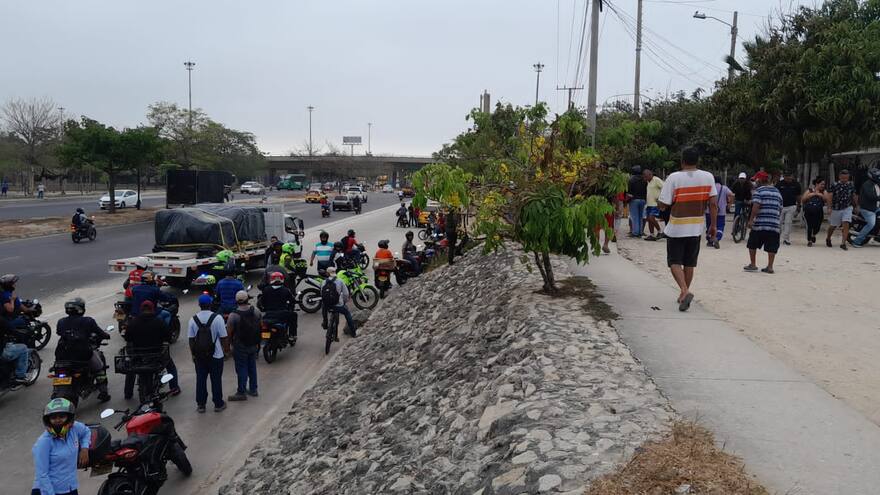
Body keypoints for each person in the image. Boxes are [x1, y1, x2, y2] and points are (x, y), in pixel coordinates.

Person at [657, 147, 717, 312]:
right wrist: (713, 225)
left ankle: (684, 290)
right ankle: (683, 294)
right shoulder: (708, 177)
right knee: (689, 263)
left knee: (674, 262)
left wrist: (659, 203)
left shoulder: (674, 178)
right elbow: (713, 203)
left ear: (682, 161)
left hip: (677, 227)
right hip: (697, 227)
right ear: (697, 161)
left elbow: (664, 204)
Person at [55, 297, 111, 402]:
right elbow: (100, 333)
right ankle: (103, 392)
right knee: (99, 368)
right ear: (81, 309)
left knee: (58, 370)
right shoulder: (88, 321)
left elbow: (59, 332)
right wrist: (106, 335)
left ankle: (56, 390)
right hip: (83, 355)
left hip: (62, 355)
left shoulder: (61, 321)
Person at [31, 398, 91, 495]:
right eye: (53, 417)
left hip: (70, 487)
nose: (58, 420)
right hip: (48, 490)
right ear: (48, 420)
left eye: (62, 416)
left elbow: (86, 432)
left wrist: (85, 448)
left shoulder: (75, 428)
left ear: (69, 417)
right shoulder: (43, 442)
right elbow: (42, 475)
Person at [123, 300, 180, 400]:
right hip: (157, 354)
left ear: (141, 310)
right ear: (153, 309)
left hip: (138, 355)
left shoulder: (133, 322)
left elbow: (127, 338)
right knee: (171, 367)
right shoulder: (159, 322)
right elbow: (168, 337)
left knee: (131, 369)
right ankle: (174, 387)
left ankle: (128, 393)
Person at [188, 294, 229, 413]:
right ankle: (218, 404)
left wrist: (193, 354)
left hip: (199, 356)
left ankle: (201, 405)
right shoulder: (217, 318)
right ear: (210, 304)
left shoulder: (193, 319)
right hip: (216, 355)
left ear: (199, 305)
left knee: (200, 379)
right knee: (216, 380)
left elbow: (191, 340)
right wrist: (226, 351)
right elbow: (224, 337)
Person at [744, 171, 783, 273]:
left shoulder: (759, 191)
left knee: (752, 243)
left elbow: (756, 206)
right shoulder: (777, 191)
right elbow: (780, 208)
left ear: (759, 180)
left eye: (756, 179)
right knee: (772, 246)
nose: (755, 181)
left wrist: (751, 220)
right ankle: (770, 267)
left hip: (760, 223)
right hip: (774, 224)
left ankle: (753, 264)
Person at [227, 291, 261, 401]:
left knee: (241, 368)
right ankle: (253, 389)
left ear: (237, 301)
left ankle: (241, 392)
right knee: (252, 367)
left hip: (240, 345)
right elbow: (260, 324)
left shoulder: (233, 315)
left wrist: (227, 347)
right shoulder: (255, 311)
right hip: (253, 343)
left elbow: (229, 333)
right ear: (248, 299)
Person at [259, 272, 297, 340]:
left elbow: (261, 302)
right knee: (294, 315)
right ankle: (292, 335)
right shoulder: (286, 290)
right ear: (282, 279)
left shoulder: (266, 289)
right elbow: (292, 301)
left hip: (268, 314)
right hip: (282, 314)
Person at [825, 169, 857, 250]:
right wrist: (829, 207)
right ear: (839, 177)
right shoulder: (834, 185)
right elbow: (829, 196)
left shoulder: (851, 185)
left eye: (846, 178)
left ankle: (843, 243)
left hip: (847, 207)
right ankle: (828, 238)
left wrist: (856, 206)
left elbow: (854, 195)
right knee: (833, 226)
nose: (844, 180)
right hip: (836, 208)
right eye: (843, 178)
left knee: (846, 223)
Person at [322, 267, 357, 339]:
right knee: (347, 313)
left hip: (327, 305)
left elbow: (322, 294)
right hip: (338, 305)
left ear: (327, 273)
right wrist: (344, 302)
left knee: (324, 306)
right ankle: (353, 332)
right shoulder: (340, 281)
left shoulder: (323, 282)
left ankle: (325, 323)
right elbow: (346, 294)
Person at [852, 168, 880, 247]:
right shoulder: (867, 184)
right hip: (867, 209)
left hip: (875, 207)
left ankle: (877, 234)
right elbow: (871, 196)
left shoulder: (876, 183)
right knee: (871, 224)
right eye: (877, 176)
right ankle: (857, 241)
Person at [774, 171, 803, 246]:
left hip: (791, 206)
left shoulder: (796, 184)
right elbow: (775, 194)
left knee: (788, 223)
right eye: (786, 176)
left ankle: (786, 239)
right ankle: (776, 238)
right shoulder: (779, 184)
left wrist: (799, 206)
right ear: (784, 176)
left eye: (789, 176)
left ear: (792, 176)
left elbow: (798, 196)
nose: (788, 177)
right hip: (780, 206)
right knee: (778, 223)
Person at [705, 176, 734, 248]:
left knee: (710, 225)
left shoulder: (710, 188)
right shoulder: (724, 188)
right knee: (720, 226)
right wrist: (729, 204)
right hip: (721, 211)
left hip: (709, 211)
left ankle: (710, 240)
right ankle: (717, 238)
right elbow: (732, 195)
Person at [0, 316, 29, 385]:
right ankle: (20, 376)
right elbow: (12, 330)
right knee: (23, 348)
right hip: (2, 353)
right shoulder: (1, 320)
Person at [801, 177, 827, 247]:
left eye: (824, 184)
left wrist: (820, 195)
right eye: (822, 184)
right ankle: (809, 240)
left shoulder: (824, 192)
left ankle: (813, 235)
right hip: (808, 211)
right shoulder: (809, 190)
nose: (823, 186)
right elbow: (803, 200)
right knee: (809, 226)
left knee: (817, 227)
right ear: (817, 184)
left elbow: (826, 200)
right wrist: (811, 195)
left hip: (819, 212)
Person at [643, 168, 665, 241]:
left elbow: (664, 188)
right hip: (649, 204)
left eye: (646, 176)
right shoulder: (648, 182)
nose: (645, 178)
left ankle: (660, 231)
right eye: (644, 176)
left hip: (655, 204)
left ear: (650, 175)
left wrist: (660, 199)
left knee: (651, 217)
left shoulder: (656, 180)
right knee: (649, 219)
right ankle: (652, 234)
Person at [627, 166, 648, 237]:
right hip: (643, 200)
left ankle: (635, 232)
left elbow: (628, 191)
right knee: (641, 216)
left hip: (634, 200)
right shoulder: (644, 180)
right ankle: (640, 232)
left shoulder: (631, 180)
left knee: (635, 217)